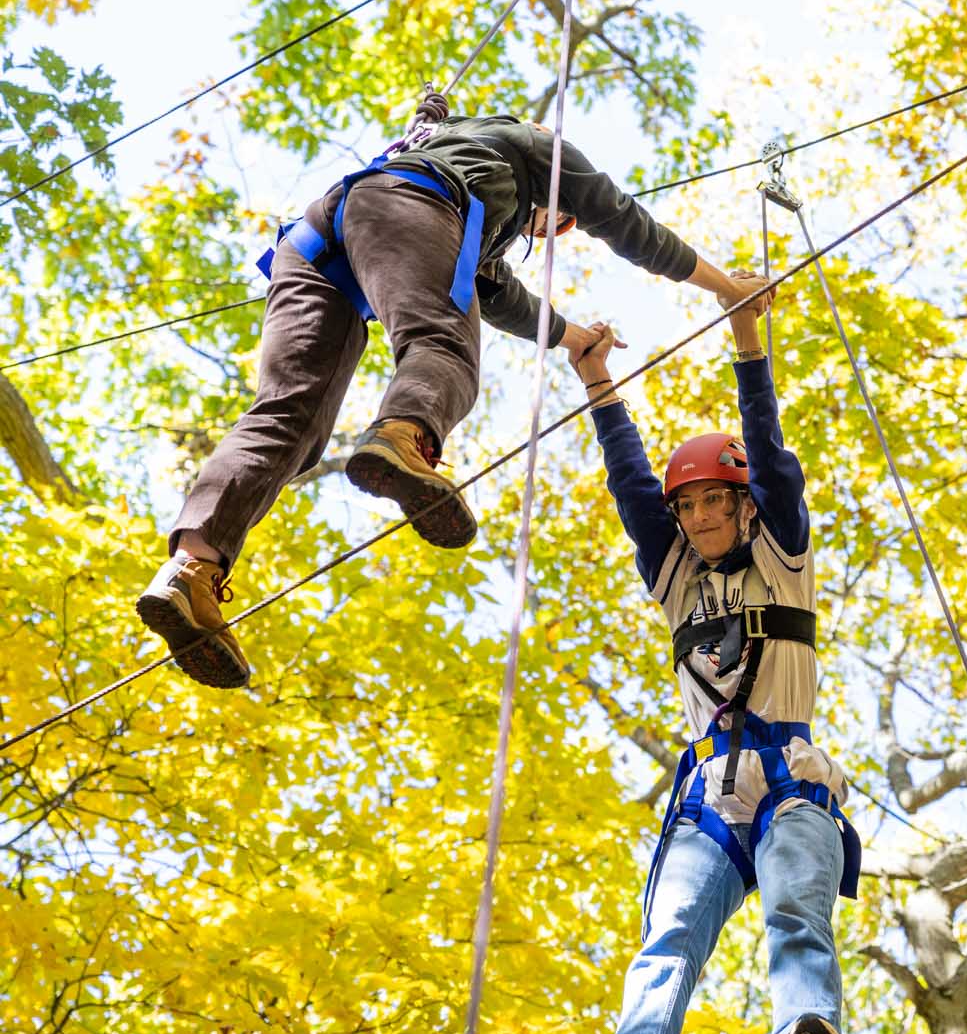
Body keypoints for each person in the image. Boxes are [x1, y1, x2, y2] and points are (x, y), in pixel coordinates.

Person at [136, 113, 769, 690]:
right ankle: (404, 437)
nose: (552, 232)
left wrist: (578, 339)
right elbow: (629, 224)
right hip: (405, 205)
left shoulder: (466, 206)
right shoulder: (534, 150)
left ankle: (191, 570)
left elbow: (502, 299)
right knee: (443, 345)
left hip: (317, 242)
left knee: (287, 417)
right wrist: (724, 288)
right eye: (561, 223)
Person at [548, 290, 862, 1034]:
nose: (698, 518)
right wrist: (599, 384)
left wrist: (746, 335)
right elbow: (631, 485)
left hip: (791, 781)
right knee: (671, 931)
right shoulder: (677, 576)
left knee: (797, 901)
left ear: (744, 504)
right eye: (688, 510)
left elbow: (769, 453)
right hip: (709, 797)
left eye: (714, 503)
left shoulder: (780, 553)